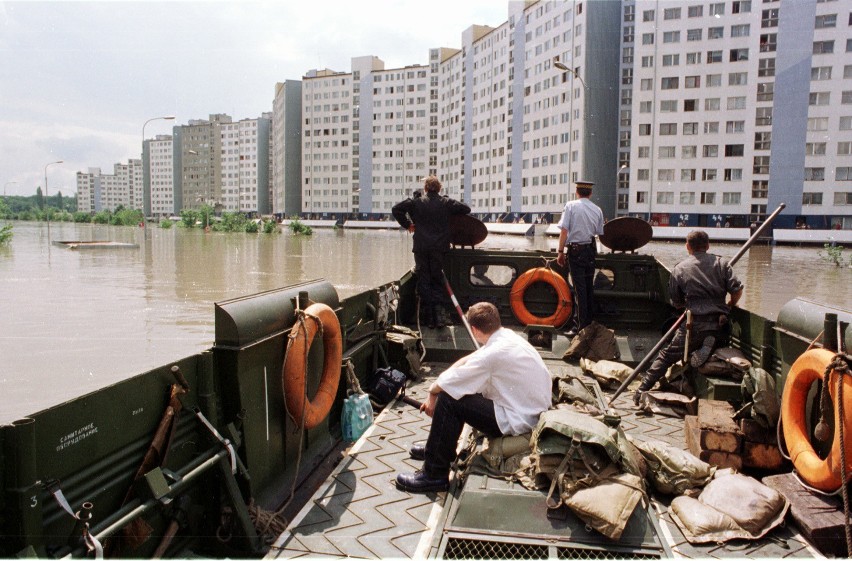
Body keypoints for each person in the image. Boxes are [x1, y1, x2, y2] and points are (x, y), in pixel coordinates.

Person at [395, 302, 552, 493]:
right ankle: (440, 450)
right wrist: (433, 391)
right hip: (528, 410)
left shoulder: (493, 354)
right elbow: (467, 360)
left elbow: (449, 384)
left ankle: (434, 475)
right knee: (459, 389)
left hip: (520, 421)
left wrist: (432, 395)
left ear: (475, 329)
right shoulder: (506, 336)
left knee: (449, 400)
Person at [633, 230, 744, 405]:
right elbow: (737, 290)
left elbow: (676, 302)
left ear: (687, 247)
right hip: (720, 325)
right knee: (712, 343)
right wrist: (729, 306)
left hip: (694, 324)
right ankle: (709, 347)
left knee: (666, 355)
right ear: (708, 246)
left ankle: (641, 390)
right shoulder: (722, 264)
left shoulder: (680, 268)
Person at [392, 176, 470, 329]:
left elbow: (396, 209)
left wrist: (408, 224)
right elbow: (466, 209)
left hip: (421, 247)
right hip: (439, 248)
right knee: (437, 279)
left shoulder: (416, 202)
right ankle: (439, 318)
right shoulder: (446, 203)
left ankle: (428, 318)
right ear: (439, 188)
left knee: (424, 280)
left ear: (425, 189)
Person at [556, 180, 604, 334]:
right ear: (590, 193)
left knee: (579, 290)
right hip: (590, 250)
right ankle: (588, 323)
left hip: (576, 251)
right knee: (588, 287)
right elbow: (599, 232)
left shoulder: (571, 206)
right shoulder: (597, 209)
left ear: (577, 192)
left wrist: (560, 251)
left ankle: (579, 327)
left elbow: (564, 230)